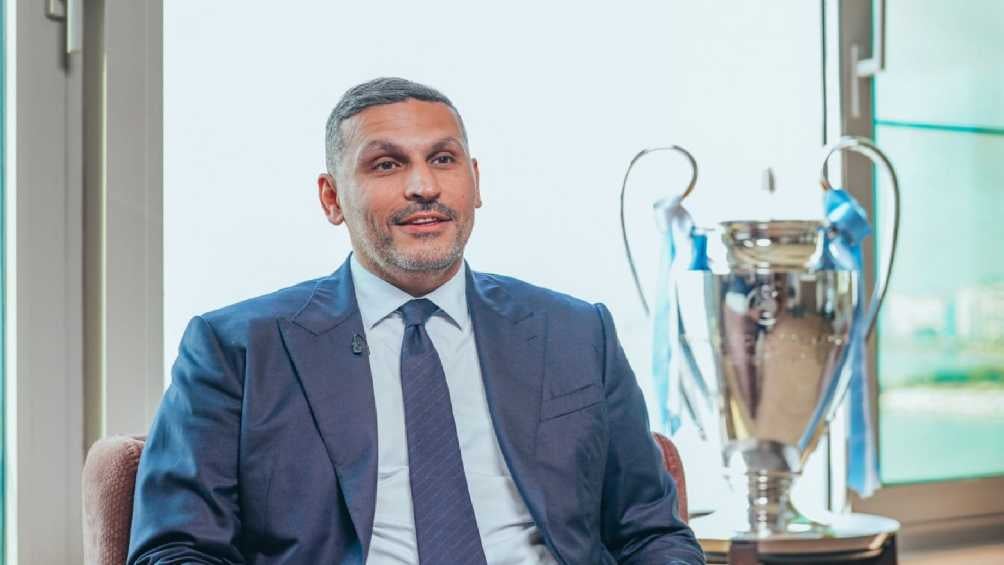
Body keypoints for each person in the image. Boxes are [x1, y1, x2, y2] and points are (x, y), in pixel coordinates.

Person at [128, 77, 704, 565]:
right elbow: (176, 549)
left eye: (443, 160)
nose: (424, 186)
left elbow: (651, 534)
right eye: (386, 164)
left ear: (475, 182)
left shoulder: (578, 334)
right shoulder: (236, 349)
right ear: (331, 198)